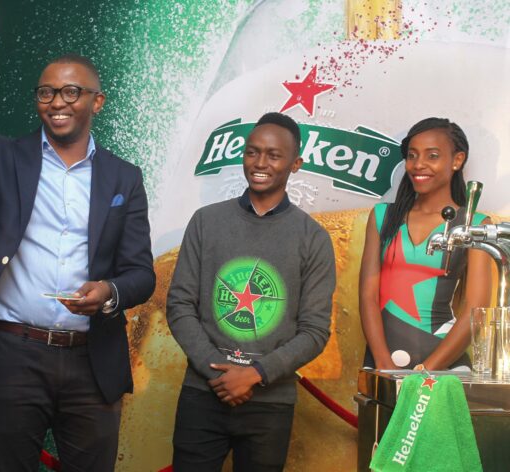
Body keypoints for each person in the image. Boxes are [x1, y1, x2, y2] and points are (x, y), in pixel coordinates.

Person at [0, 54, 155, 472]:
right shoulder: (6, 157)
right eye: (46, 92)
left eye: (71, 92)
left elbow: (141, 274)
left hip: (92, 359)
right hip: (15, 353)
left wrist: (107, 293)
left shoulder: (124, 178)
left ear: (97, 102)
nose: (57, 102)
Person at [166, 112, 336, 472]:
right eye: (252, 152)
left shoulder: (313, 239)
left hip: (270, 403)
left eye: (274, 155)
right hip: (203, 394)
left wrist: (256, 372)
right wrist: (217, 373)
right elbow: (180, 304)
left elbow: (315, 330)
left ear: (295, 164)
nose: (260, 163)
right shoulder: (205, 222)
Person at [359, 117, 491, 371]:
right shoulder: (382, 217)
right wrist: (383, 362)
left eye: (432, 156)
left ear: (457, 160)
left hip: (444, 365)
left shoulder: (475, 224)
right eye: (412, 155)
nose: (418, 165)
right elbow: (367, 296)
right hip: (381, 362)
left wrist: (426, 372)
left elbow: (476, 311)